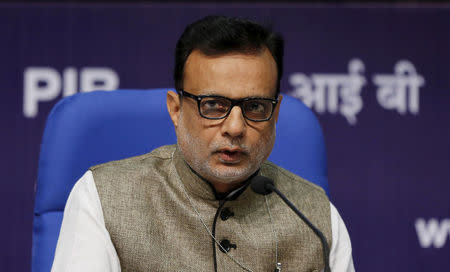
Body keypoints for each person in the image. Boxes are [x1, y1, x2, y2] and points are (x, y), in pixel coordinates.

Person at [51, 15, 354, 272]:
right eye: (213, 105)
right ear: (176, 109)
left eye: (256, 107)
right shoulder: (104, 198)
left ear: (275, 114)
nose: (235, 128)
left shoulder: (316, 218)